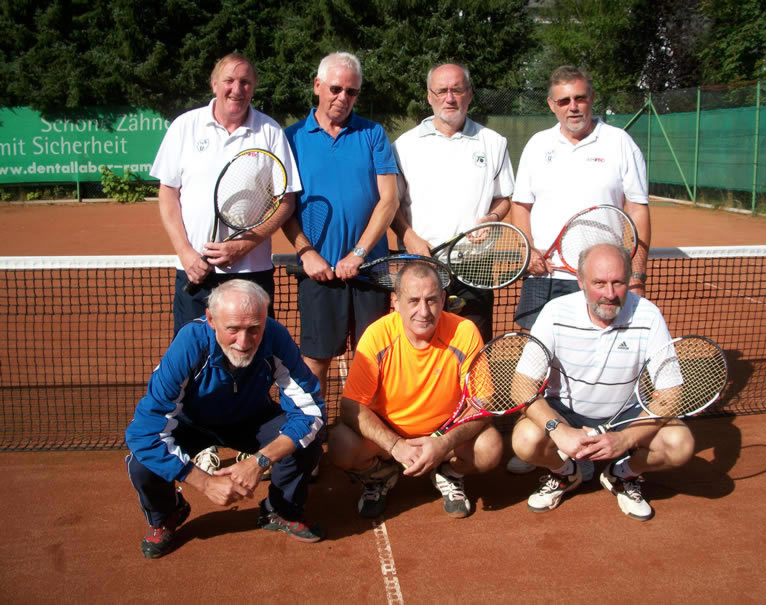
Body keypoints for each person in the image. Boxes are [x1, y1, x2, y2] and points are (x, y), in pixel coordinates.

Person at [506, 65, 651, 474]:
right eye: (564, 100)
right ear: (552, 105)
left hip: (604, 282)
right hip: (546, 277)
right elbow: (521, 205)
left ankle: (608, 439)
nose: (573, 107)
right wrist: (529, 249)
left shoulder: (619, 143)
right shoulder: (538, 145)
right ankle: (543, 444)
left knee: (603, 361)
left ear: (591, 99)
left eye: (580, 98)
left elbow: (637, 208)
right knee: (536, 364)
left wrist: (636, 275)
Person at [125, 280, 326, 558]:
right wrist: (205, 483)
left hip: (252, 419)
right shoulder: (189, 344)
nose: (244, 342)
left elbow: (310, 411)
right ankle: (168, 514)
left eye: (254, 328)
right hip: (191, 424)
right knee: (142, 464)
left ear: (264, 321)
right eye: (233, 329)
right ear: (211, 319)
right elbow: (145, 432)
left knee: (308, 441)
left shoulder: (275, 337)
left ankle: (281, 510)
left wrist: (260, 461)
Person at [510, 244, 694, 521]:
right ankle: (565, 472)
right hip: (566, 412)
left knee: (680, 444)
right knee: (525, 441)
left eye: (618, 282)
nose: (609, 294)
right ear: (581, 282)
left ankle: (622, 474)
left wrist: (625, 438)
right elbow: (521, 385)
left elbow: (671, 393)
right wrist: (559, 430)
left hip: (626, 417)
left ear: (629, 279)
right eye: (599, 283)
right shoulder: (554, 313)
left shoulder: (648, 315)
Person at [328, 262, 503, 519]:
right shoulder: (377, 335)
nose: (424, 311)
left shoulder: (464, 331)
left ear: (443, 299)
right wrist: (396, 445)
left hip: (445, 433)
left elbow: (483, 402)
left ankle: (449, 472)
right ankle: (379, 474)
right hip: (388, 436)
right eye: (413, 301)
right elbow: (351, 405)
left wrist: (443, 442)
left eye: (431, 300)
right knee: (340, 444)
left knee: (490, 447)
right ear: (396, 302)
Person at [151, 52, 300, 335]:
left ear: (253, 88)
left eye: (245, 82)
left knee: (251, 355)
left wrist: (244, 245)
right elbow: (168, 194)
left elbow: (285, 201)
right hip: (195, 271)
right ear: (214, 84)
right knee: (195, 355)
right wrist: (185, 253)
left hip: (251, 273)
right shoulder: (184, 126)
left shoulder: (269, 131)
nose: (237, 89)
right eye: (229, 80)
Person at [282, 52, 399, 396]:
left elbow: (389, 200)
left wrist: (359, 254)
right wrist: (307, 254)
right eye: (335, 89)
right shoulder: (291, 138)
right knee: (315, 360)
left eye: (352, 91)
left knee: (374, 359)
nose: (343, 97)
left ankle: (367, 427)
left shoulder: (373, 134)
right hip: (318, 273)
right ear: (317, 85)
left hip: (370, 270)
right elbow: (284, 208)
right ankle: (313, 426)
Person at [391, 62, 514, 343]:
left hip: (475, 265)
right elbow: (391, 205)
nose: (449, 98)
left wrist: (492, 218)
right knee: (421, 346)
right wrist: (409, 237)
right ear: (429, 95)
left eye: (457, 90)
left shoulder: (494, 142)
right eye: (442, 90)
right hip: (422, 265)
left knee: (472, 348)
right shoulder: (403, 146)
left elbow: (503, 198)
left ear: (469, 94)